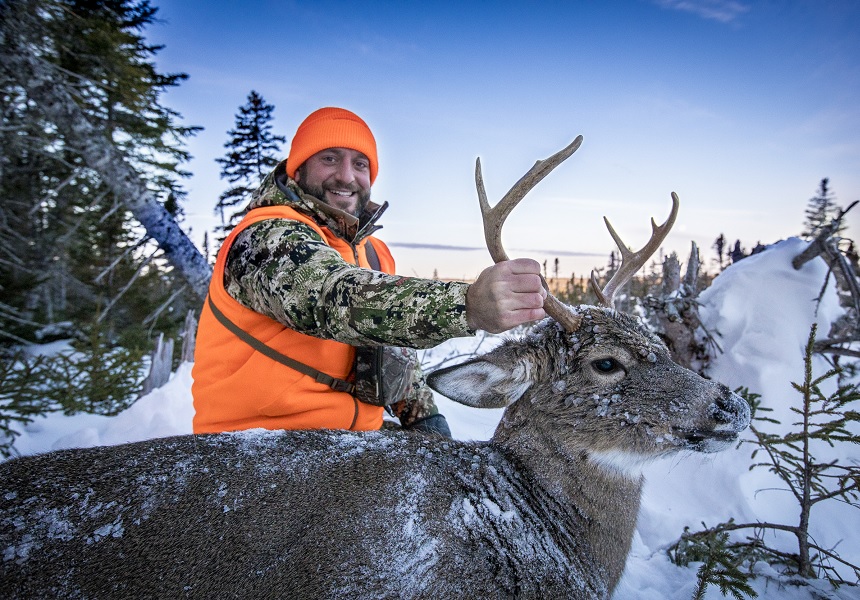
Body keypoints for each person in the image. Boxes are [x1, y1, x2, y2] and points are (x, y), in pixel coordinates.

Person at [191, 107, 547, 437]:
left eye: (360, 164)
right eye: (329, 158)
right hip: (251, 447)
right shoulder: (265, 236)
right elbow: (333, 298)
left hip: (353, 446)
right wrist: (466, 305)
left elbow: (393, 352)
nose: (346, 176)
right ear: (296, 170)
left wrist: (425, 419)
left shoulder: (375, 254)